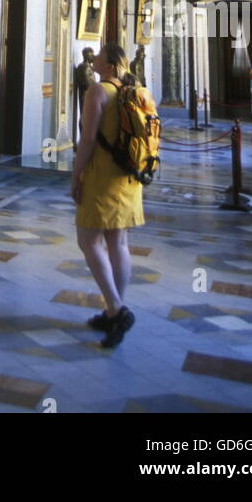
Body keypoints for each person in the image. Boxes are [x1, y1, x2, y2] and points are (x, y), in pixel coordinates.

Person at [70, 42, 144, 349]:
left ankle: (116, 309)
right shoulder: (133, 90)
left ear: (111, 65)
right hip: (129, 176)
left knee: (88, 239)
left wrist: (76, 175)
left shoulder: (98, 92)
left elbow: (87, 140)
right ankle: (114, 307)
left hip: (102, 175)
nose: (94, 60)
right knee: (118, 241)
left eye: (99, 57)